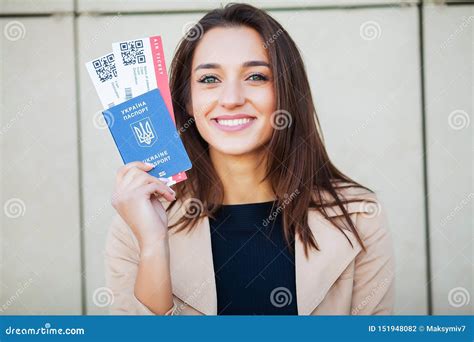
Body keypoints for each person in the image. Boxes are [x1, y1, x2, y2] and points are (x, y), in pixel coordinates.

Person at [105, 3, 395, 315]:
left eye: (256, 76)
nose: (231, 99)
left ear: (286, 91)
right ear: (186, 100)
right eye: (209, 79)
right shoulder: (137, 224)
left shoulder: (359, 217)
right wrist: (152, 246)